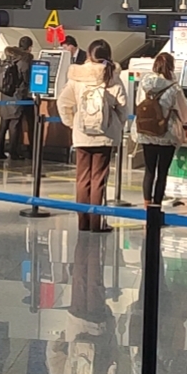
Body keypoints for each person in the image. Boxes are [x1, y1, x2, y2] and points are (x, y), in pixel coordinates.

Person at [58, 39, 126, 232]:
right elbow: (122, 107)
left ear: (88, 54)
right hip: (105, 135)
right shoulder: (112, 75)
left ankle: (83, 222)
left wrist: (72, 123)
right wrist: (116, 126)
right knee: (98, 179)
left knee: (82, 178)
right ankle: (97, 223)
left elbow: (63, 102)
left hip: (82, 134)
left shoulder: (76, 76)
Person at [133, 51, 187, 206]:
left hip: (146, 132)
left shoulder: (144, 84)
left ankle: (146, 204)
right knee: (162, 172)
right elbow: (185, 114)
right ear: (171, 67)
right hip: (166, 134)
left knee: (149, 171)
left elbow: (139, 103)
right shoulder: (174, 88)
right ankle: (156, 206)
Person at [0, 36, 34, 160]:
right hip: (17, 94)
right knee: (15, 124)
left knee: (3, 123)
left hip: (5, 94)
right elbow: (26, 78)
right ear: (30, 47)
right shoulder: (24, 60)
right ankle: (13, 152)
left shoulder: (9, 58)